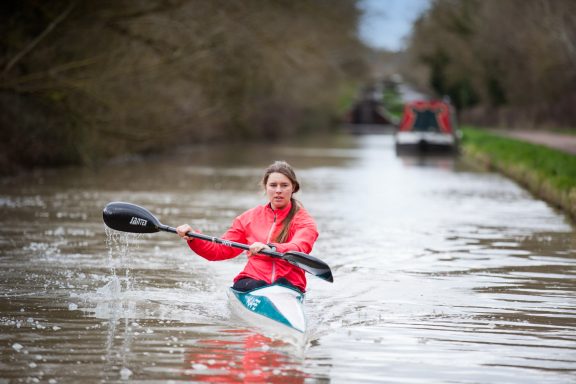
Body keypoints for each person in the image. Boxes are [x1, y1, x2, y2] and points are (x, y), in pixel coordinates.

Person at [176, 161, 318, 293]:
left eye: (284, 185)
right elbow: (219, 250)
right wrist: (193, 237)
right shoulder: (249, 218)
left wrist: (272, 248)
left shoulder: (304, 221)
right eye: (273, 185)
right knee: (252, 285)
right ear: (266, 187)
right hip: (253, 280)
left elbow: (300, 246)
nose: (278, 190)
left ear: (293, 188)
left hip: (288, 284)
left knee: (280, 284)